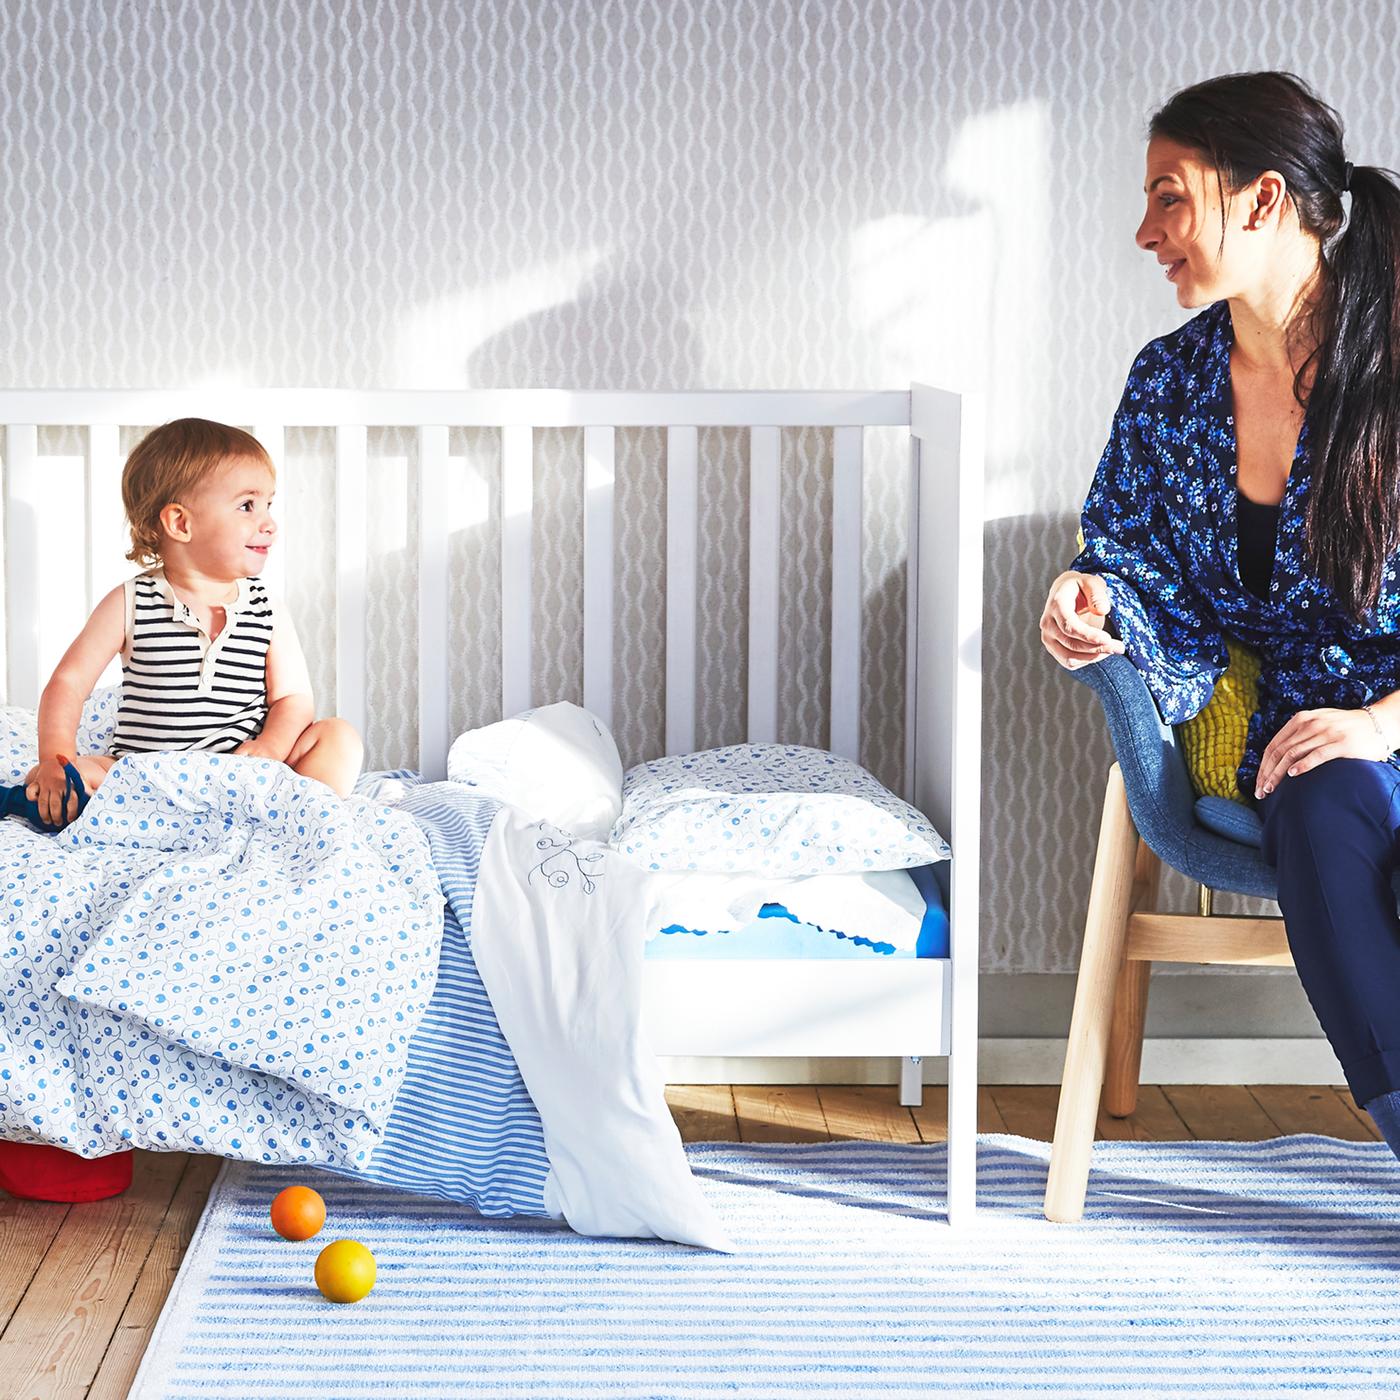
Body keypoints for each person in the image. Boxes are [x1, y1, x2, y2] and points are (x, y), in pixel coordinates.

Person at [1038, 72, 1400, 1155]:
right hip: (1299, 733)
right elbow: (1125, 550)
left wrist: (1382, 721)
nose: (1143, 230)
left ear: (1261, 201)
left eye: (1167, 197)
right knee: (1318, 795)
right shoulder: (1168, 381)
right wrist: (1089, 598)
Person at [14, 417, 363, 828]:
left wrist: (270, 746)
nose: (269, 522)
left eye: (269, 503)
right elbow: (69, 683)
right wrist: (56, 758)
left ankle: (296, 822)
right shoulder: (132, 601)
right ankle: (107, 808)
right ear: (181, 523)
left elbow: (293, 698)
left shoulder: (266, 605)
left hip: (242, 774)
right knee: (62, 779)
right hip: (147, 776)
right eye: (247, 505)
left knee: (339, 737)